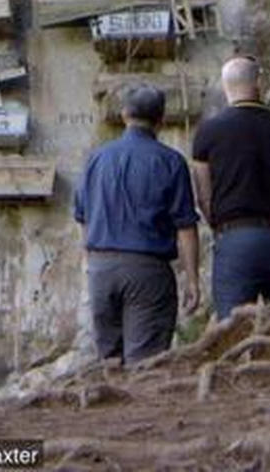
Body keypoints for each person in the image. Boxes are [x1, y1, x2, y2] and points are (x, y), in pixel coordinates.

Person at [74, 83, 202, 365]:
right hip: (148, 273)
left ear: (123, 115)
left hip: (100, 269)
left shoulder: (94, 159)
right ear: (161, 120)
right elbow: (185, 227)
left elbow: (82, 217)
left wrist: (92, 263)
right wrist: (193, 280)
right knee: (145, 366)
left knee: (109, 362)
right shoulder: (171, 161)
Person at [190, 56, 270, 320]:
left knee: (233, 329)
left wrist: (218, 226)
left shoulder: (208, 131)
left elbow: (203, 195)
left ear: (224, 85)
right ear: (259, 83)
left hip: (234, 238)